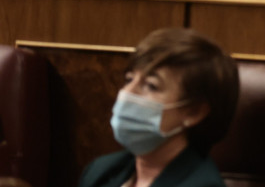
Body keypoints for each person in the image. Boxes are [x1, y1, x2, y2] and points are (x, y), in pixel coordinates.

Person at [79, 28, 239, 187]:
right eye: (129, 79)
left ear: (194, 112)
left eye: (151, 86)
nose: (127, 92)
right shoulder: (101, 171)